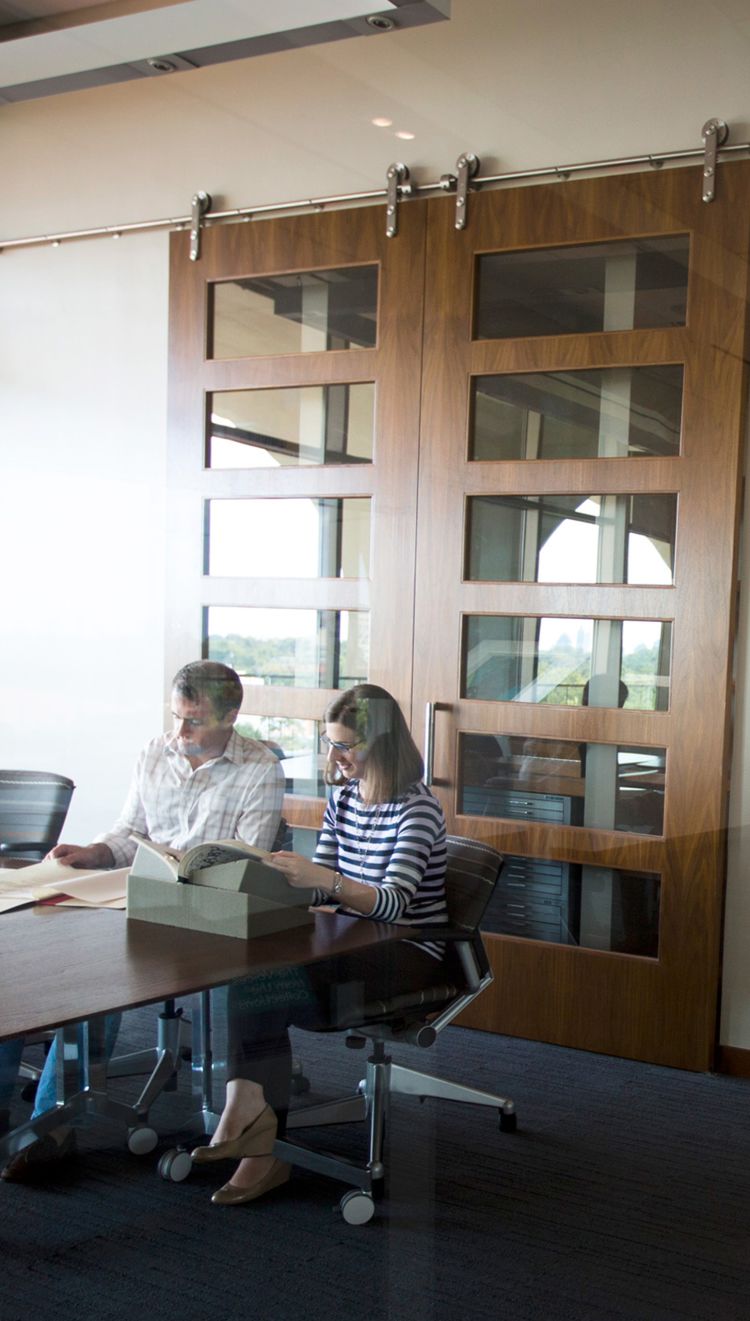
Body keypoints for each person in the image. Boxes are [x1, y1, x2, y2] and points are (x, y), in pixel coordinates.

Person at [0, 660, 285, 1178]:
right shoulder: (156, 752)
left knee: (94, 983)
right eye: (176, 717)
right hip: (134, 901)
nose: (179, 733)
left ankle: (49, 1127)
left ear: (231, 717)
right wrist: (93, 853)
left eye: (193, 721)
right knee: (22, 968)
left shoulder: (259, 769)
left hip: (206, 916)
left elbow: (250, 862)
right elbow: (128, 832)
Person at [190, 682, 452, 1206]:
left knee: (264, 985)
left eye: (346, 746)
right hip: (351, 942)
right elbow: (322, 884)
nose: (337, 756)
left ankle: (254, 1134)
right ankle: (251, 1120)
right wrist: (270, 875)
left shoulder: (417, 809)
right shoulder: (344, 797)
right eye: (331, 744)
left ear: (382, 745)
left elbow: (393, 903)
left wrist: (322, 880)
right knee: (254, 969)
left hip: (407, 955)